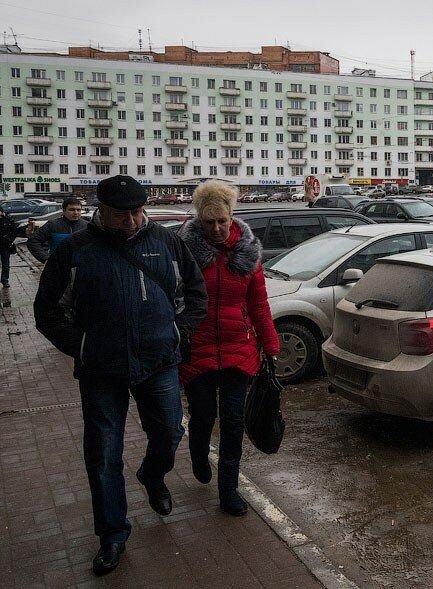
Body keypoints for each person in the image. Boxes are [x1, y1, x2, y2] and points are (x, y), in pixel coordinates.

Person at [34, 175, 207, 576]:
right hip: (101, 370)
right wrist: (83, 348)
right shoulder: (77, 250)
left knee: (169, 431)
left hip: (158, 362)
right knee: (104, 454)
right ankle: (112, 534)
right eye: (119, 214)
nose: (129, 222)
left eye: (135, 213)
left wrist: (179, 333)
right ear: (101, 210)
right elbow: (47, 311)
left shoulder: (167, 243)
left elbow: (196, 295)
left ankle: (152, 473)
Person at [176, 181, 280, 517]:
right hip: (197, 351)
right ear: (200, 221)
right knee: (204, 416)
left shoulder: (248, 254)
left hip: (239, 350)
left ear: (232, 216)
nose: (217, 229)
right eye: (209, 223)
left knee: (234, 422)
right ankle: (197, 453)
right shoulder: (184, 254)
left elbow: (259, 304)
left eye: (223, 221)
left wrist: (271, 345)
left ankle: (228, 490)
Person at [28, 196, 88, 262]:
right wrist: (45, 258)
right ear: (64, 211)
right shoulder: (52, 225)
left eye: (78, 210)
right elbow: (33, 241)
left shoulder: (87, 226)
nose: (76, 212)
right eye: (72, 209)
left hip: (82, 268)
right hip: (59, 267)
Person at [0, 206, 17, 288]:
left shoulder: (8, 220)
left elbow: (14, 232)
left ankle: (5, 280)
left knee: (5, 264)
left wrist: (10, 240)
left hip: (5, 246)